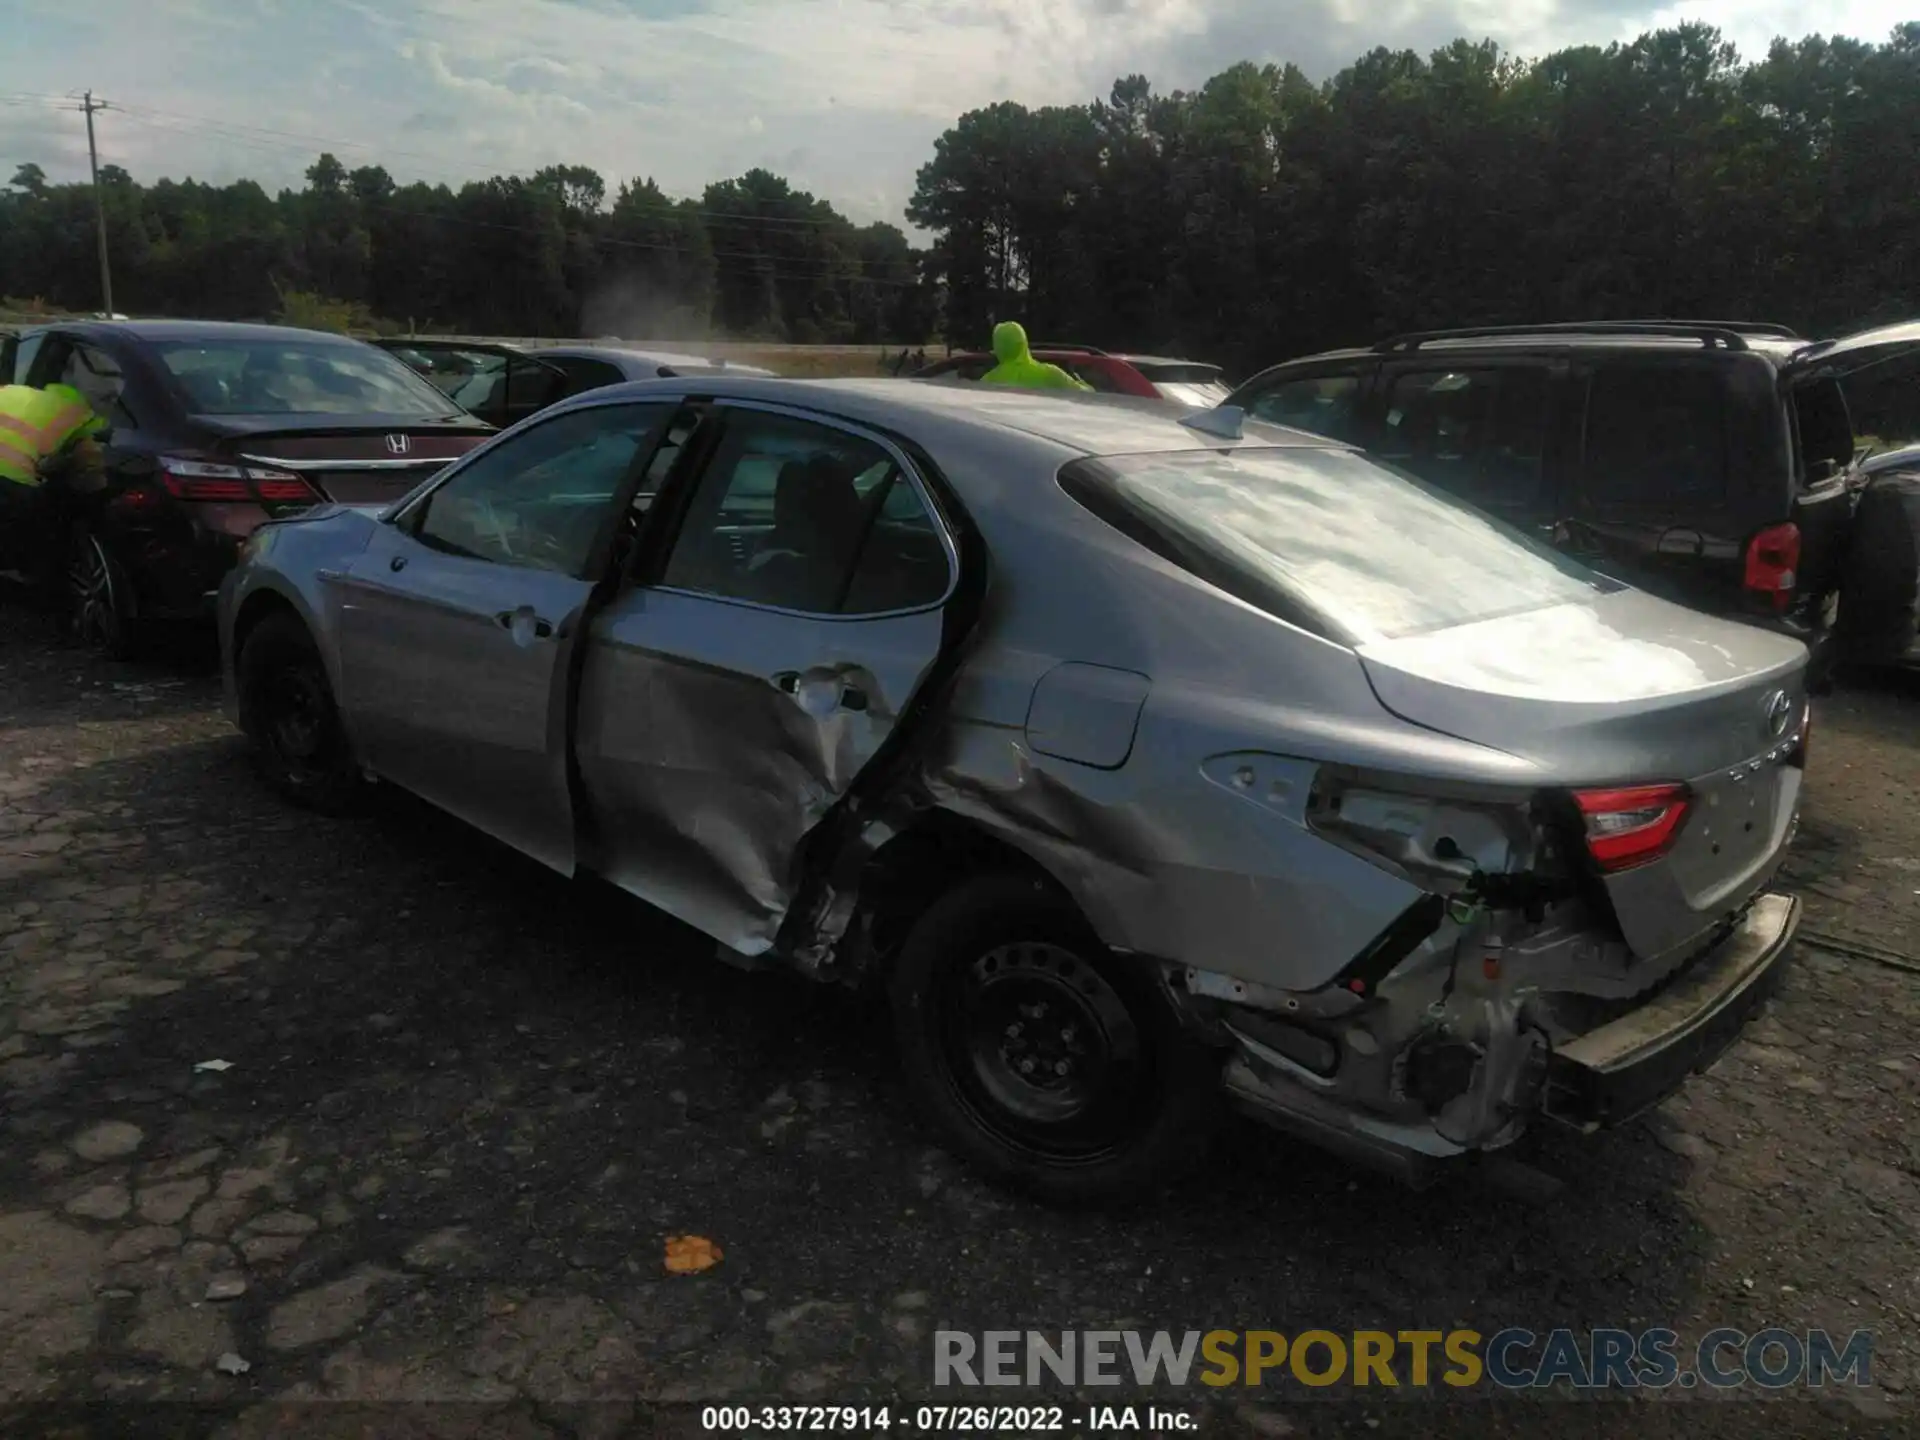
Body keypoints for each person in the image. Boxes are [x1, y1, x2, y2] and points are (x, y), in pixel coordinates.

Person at [0, 380, 107, 595]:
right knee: (40, 520)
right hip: (17, 480)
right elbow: (85, 460)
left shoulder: (13, 391)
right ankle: (36, 581)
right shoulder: (82, 417)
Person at [978, 321, 1092, 391]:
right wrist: (1081, 381)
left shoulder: (986, 382)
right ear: (1024, 343)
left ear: (997, 348)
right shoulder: (1050, 373)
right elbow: (1086, 396)